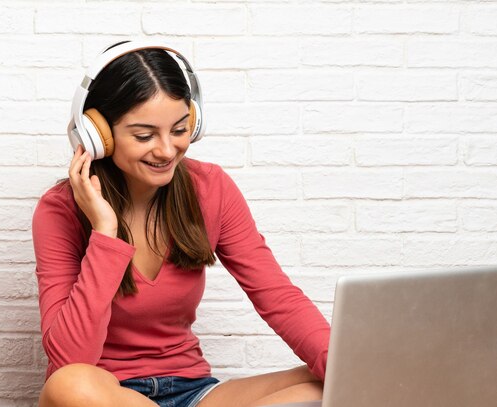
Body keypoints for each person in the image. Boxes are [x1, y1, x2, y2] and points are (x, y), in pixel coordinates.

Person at [32, 41, 330, 407]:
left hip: (195, 392)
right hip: (107, 394)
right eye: (144, 136)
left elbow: (278, 297)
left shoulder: (212, 188)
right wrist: (104, 232)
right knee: (70, 384)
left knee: (331, 380)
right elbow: (69, 358)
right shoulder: (59, 210)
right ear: (98, 136)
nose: (167, 150)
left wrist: (348, 367)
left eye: (179, 129)